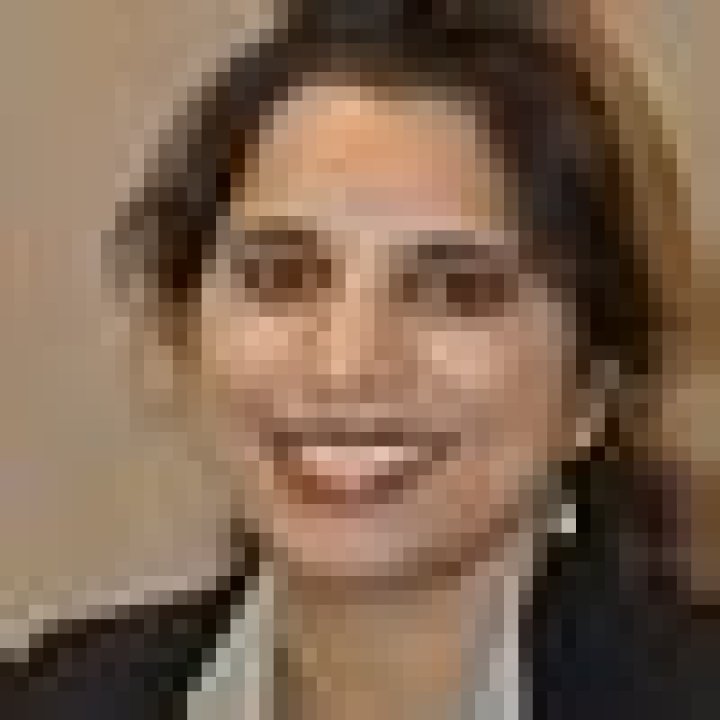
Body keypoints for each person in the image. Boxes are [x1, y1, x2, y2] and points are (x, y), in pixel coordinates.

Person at [3, 1, 711, 718]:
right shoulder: (52, 700)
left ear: (591, 389)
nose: (347, 365)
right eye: (282, 277)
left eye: (455, 291)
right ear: (176, 337)